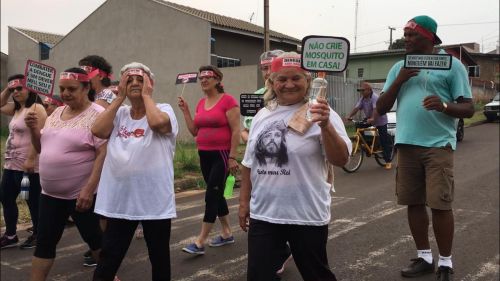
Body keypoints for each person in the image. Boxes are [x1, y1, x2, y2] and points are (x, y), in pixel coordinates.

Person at [376, 15, 474, 281]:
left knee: (440, 204)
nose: (406, 39)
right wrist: (399, 81)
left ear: (429, 37)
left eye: (412, 34)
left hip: (438, 145)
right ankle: (424, 257)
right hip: (407, 144)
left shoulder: (453, 66)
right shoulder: (399, 67)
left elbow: (468, 107)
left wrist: (443, 105)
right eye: (405, 34)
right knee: (413, 202)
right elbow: (382, 108)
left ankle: (445, 262)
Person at [238, 52, 351, 281]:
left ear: (307, 81)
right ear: (272, 82)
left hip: (305, 213)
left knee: (316, 274)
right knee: (259, 276)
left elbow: (341, 159)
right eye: (282, 79)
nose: (289, 84)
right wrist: (243, 203)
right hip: (265, 214)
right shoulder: (262, 115)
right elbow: (249, 163)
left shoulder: (320, 112)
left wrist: (326, 126)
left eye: (296, 78)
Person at [91, 62, 178, 281]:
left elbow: (158, 124)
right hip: (120, 203)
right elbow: (97, 130)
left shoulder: (164, 109)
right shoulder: (119, 113)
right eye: (129, 80)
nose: (135, 83)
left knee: (159, 258)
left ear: (151, 84)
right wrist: (119, 97)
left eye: (141, 79)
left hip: (154, 204)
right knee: (108, 258)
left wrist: (147, 96)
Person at [24, 67, 106, 281]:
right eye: (62, 89)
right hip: (50, 195)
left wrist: (89, 190)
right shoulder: (56, 113)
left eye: (71, 89)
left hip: (81, 196)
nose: (66, 93)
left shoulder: (98, 115)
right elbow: (42, 148)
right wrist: (34, 131)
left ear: (86, 87)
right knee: (45, 242)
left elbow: (102, 155)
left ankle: (109, 275)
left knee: (95, 240)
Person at [178, 65, 240, 255]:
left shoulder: (228, 100)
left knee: (211, 195)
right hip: (204, 154)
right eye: (201, 78)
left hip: (222, 154)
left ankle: (200, 241)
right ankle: (227, 232)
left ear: (217, 80)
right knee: (217, 193)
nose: (203, 80)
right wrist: (186, 111)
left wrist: (232, 157)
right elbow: (195, 131)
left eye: (208, 77)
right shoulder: (200, 103)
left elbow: (236, 130)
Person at [0, 74, 46, 249]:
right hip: (11, 164)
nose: (16, 92)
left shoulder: (37, 109)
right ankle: (11, 235)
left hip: (28, 166)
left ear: (30, 89)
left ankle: (38, 234)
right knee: (5, 196)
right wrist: (8, 88)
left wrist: (31, 159)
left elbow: (40, 136)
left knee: (31, 200)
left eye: (20, 88)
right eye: (14, 89)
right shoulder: (16, 109)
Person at [346, 81, 393, 169]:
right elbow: (356, 108)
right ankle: (365, 145)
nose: (361, 92)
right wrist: (349, 115)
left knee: (383, 140)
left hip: (380, 120)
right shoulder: (363, 98)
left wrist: (372, 119)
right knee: (358, 126)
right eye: (361, 91)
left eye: (363, 90)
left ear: (369, 90)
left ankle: (388, 161)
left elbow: (376, 110)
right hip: (369, 119)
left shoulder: (374, 97)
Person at [241, 50, 284, 143]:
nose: (268, 72)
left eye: (273, 67)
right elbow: (245, 131)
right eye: (264, 68)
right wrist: (254, 143)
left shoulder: (292, 95)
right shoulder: (256, 95)